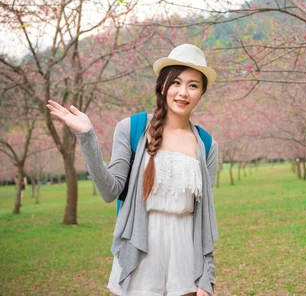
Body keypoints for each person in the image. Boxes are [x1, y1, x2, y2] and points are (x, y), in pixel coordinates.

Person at [47, 43, 219, 296]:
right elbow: (109, 190)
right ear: (162, 85)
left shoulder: (207, 144)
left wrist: (206, 274)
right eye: (176, 82)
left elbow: (203, 216)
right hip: (141, 249)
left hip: (186, 255)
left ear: (201, 93)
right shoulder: (132, 128)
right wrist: (86, 136)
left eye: (193, 85)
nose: (183, 92)